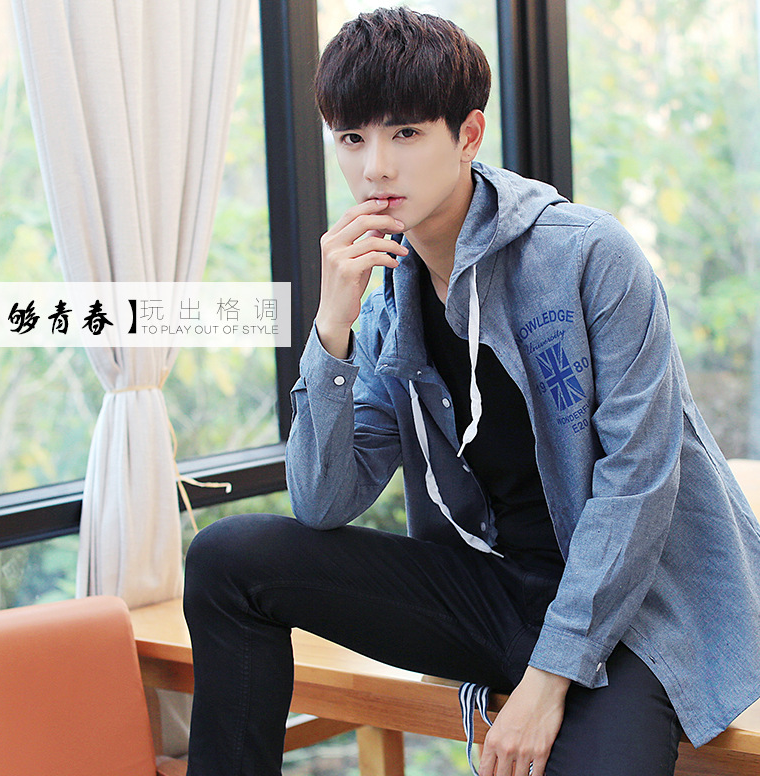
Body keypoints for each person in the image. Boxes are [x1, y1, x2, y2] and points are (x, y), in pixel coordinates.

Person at [183, 7, 760, 775]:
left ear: (469, 135)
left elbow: (639, 484)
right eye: (351, 139)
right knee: (227, 559)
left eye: (405, 133)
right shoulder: (387, 303)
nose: (375, 168)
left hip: (631, 613)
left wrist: (546, 682)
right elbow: (323, 502)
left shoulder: (589, 256)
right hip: (493, 593)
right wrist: (331, 330)